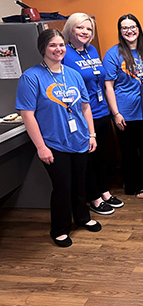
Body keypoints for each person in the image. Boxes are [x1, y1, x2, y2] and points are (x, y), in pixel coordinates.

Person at [15, 29, 102, 248]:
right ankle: (60, 229)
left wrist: (91, 134)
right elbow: (27, 114)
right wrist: (41, 147)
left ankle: (82, 218)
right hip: (54, 143)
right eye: (53, 45)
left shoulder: (72, 74)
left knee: (79, 183)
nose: (58, 49)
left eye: (61, 45)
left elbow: (85, 106)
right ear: (43, 48)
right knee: (62, 186)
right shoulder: (31, 77)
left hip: (80, 139)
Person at [62, 12, 124, 215]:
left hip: (101, 111)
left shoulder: (92, 51)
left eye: (89, 29)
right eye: (80, 27)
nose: (85, 32)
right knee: (88, 157)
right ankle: (94, 198)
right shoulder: (64, 54)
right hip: (82, 115)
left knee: (101, 157)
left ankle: (104, 191)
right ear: (70, 28)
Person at [103, 14, 143, 199]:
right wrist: (116, 113)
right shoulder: (113, 54)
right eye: (124, 28)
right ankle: (134, 186)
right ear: (120, 32)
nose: (129, 31)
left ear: (138, 29)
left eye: (132, 26)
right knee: (129, 152)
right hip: (125, 112)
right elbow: (108, 86)